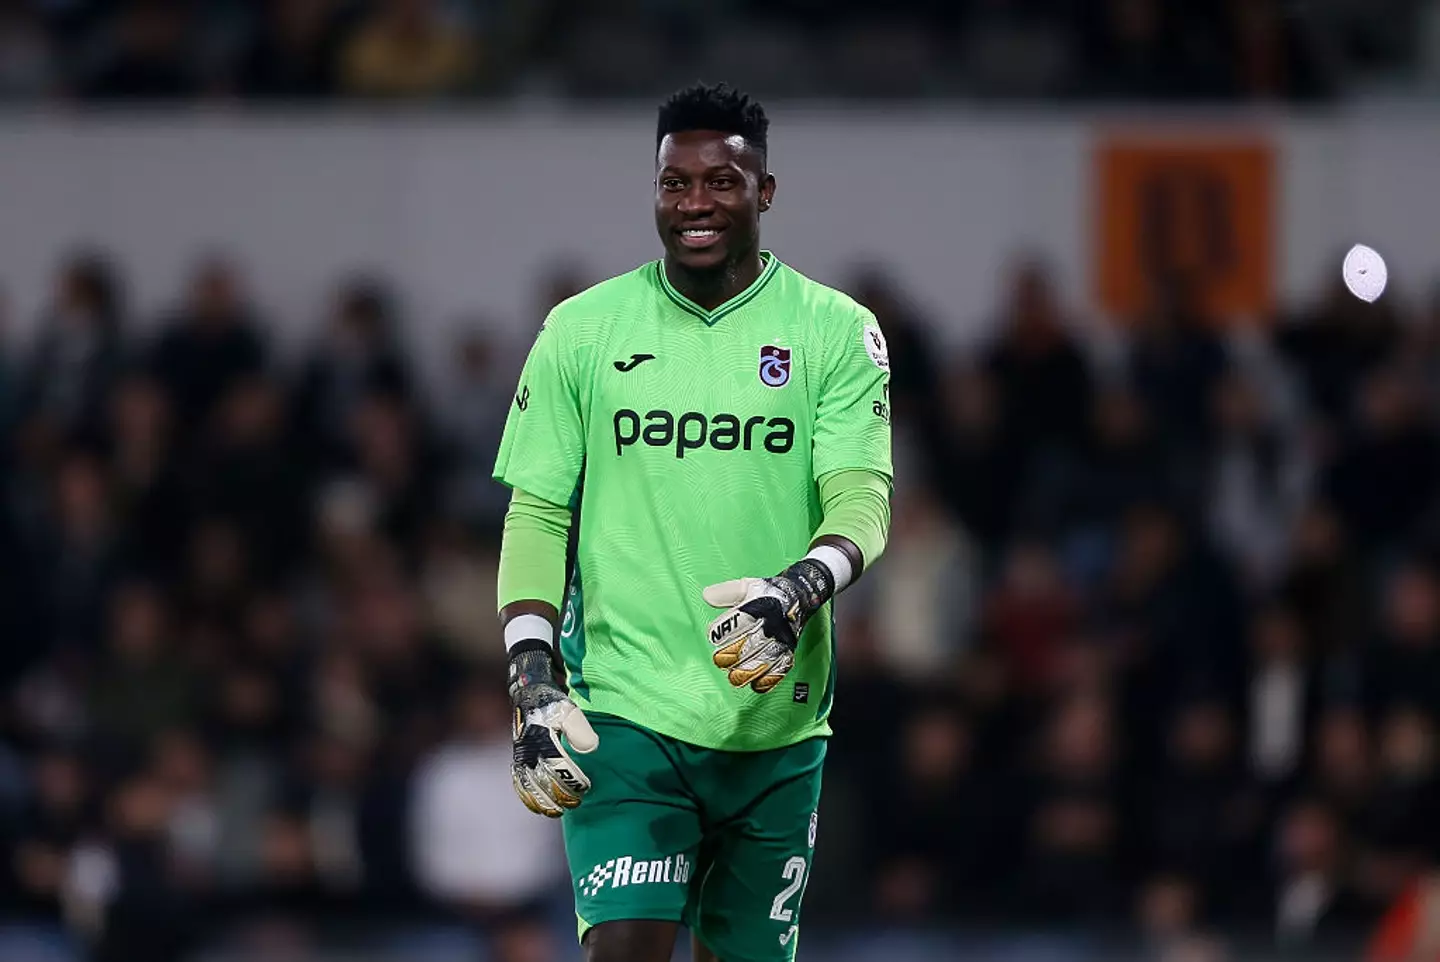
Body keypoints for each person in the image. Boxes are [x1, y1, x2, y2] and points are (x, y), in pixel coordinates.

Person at [492, 83, 893, 962]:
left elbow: (862, 504)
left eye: (722, 181)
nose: (696, 204)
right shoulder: (582, 332)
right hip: (625, 713)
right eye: (676, 184)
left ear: (766, 192)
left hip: (773, 724)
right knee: (626, 949)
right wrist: (531, 671)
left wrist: (797, 591)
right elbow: (537, 510)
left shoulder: (835, 332)